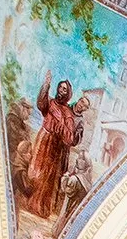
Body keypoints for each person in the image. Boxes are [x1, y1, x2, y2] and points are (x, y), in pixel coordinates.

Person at [20, 79, 81, 221]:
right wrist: (46, 85)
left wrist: (63, 130)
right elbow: (41, 104)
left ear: (68, 94)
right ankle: (27, 200)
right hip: (44, 139)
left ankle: (41, 207)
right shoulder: (51, 103)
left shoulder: (67, 113)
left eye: (65, 89)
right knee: (36, 170)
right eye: (60, 88)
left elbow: (69, 136)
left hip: (55, 147)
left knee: (48, 177)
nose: (61, 91)